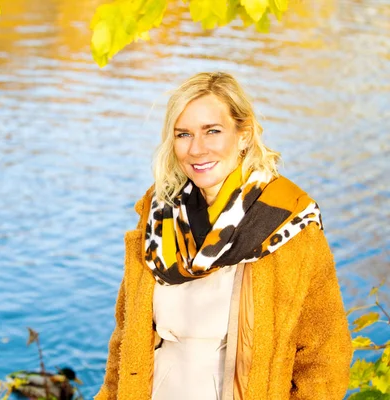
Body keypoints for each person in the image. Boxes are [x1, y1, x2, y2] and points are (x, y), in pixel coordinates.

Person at [95, 72, 353, 400]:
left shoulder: (288, 221)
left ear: (243, 135)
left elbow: (324, 354)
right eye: (183, 134)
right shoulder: (157, 216)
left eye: (212, 131)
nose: (197, 149)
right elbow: (125, 336)